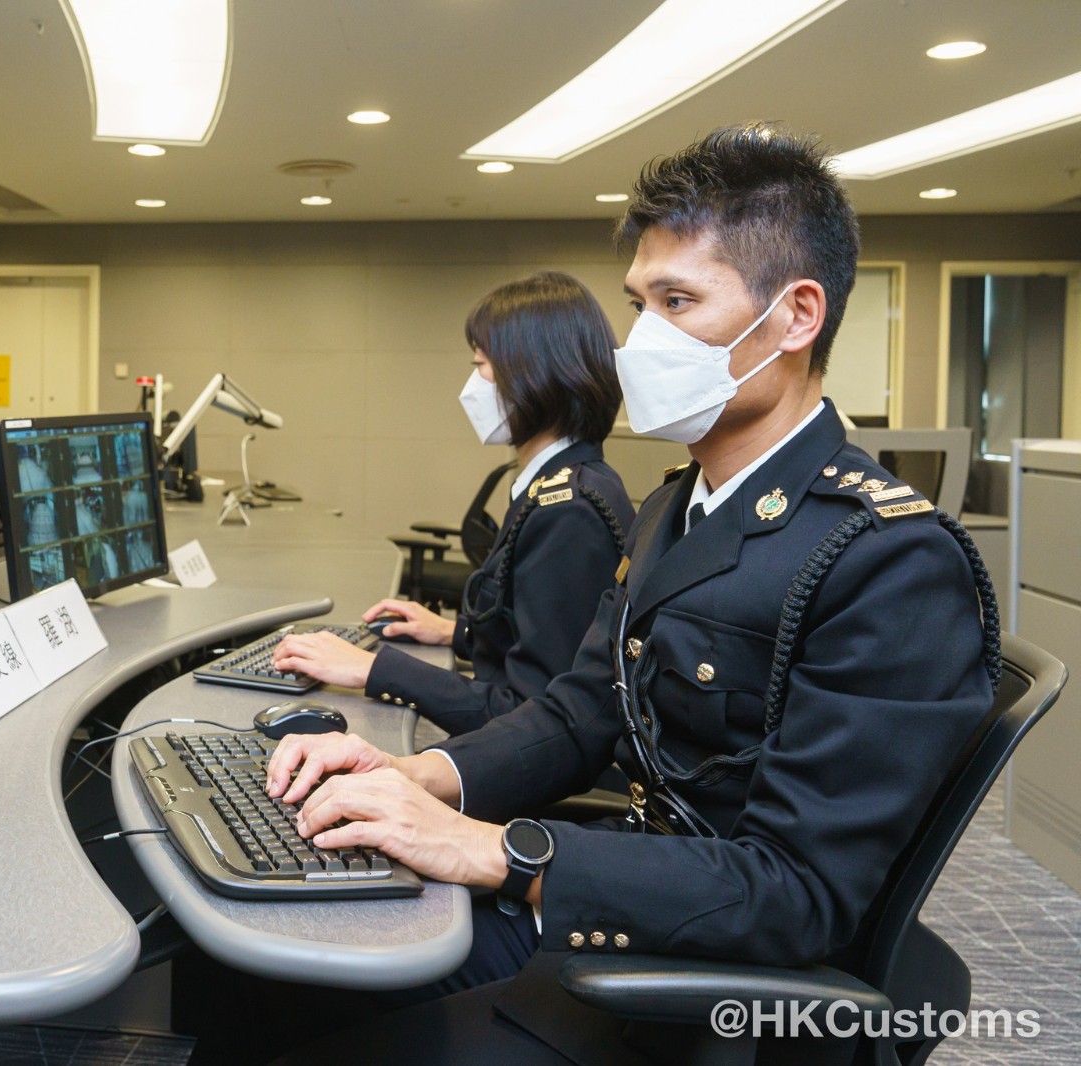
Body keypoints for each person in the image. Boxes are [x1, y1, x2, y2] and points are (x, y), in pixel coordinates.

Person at [263, 124, 999, 1064]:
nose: (641, 339)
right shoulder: (674, 507)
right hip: (626, 906)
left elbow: (798, 894)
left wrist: (490, 850)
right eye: (638, 304)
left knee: (313, 1005)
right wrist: (417, 778)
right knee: (289, 951)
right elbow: (580, 713)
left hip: (701, 994)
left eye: (678, 301)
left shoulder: (888, 559)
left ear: (796, 317)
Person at [272, 272, 634, 736]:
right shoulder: (564, 482)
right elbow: (542, 643)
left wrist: (374, 669)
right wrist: (455, 632)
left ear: (535, 374)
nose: (472, 384)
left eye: (481, 364)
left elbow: (535, 721)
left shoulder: (569, 513)